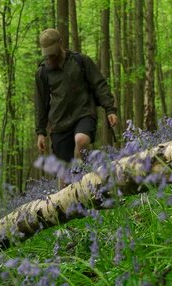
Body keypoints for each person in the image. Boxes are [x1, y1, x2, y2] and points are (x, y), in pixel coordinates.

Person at [35, 28, 119, 187]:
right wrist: (40, 132)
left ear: (60, 43)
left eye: (52, 52)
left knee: (81, 140)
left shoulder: (80, 61)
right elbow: (41, 103)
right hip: (59, 124)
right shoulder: (42, 72)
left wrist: (110, 109)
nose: (50, 57)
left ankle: (84, 174)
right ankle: (66, 204)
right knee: (64, 178)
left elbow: (99, 85)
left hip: (83, 113)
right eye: (47, 54)